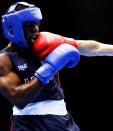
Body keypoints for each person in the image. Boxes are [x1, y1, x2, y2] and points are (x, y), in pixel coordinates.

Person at [0, 2, 80, 131]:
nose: (35, 29)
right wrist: (48, 68)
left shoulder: (46, 46)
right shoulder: (4, 59)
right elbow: (18, 99)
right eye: (29, 24)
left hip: (62, 121)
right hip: (28, 124)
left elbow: (87, 47)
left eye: (36, 23)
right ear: (13, 27)